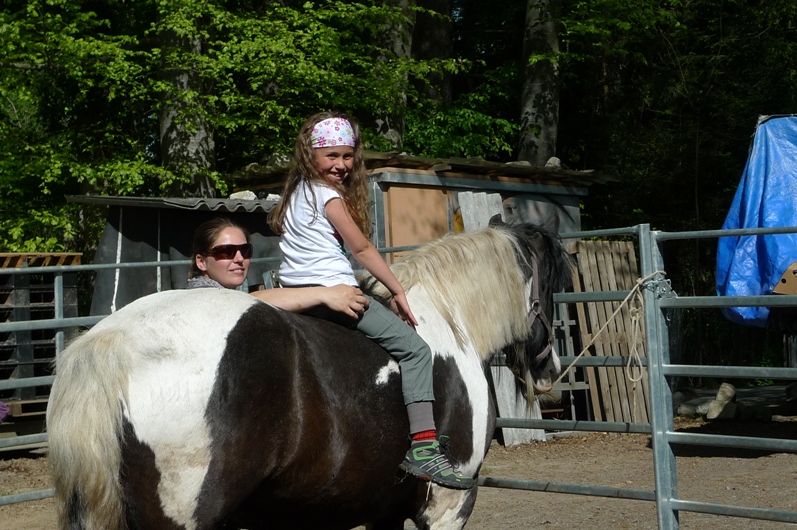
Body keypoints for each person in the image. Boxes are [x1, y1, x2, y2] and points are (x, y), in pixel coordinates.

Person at [268, 111, 473, 490]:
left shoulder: (296, 193)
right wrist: (397, 290)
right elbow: (361, 248)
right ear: (310, 155)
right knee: (416, 351)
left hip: (297, 292)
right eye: (331, 156)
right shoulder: (329, 196)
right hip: (335, 291)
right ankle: (425, 447)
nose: (341, 165)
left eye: (347, 156)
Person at [189, 217, 368, 319]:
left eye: (245, 250)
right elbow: (245, 301)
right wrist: (325, 294)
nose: (239, 259)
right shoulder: (202, 299)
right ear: (201, 262)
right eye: (226, 252)